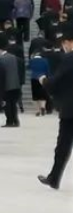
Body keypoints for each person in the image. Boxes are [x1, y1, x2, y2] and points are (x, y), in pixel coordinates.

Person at [38, 25, 73, 190]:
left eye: (64, 44)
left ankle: (54, 178)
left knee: (63, 145)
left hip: (70, 110)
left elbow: (56, 82)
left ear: (69, 42)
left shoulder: (69, 59)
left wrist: (44, 81)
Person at [0, 35, 22, 128]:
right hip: (16, 84)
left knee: (7, 105)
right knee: (13, 104)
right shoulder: (14, 57)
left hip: (6, 85)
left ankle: (9, 121)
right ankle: (16, 120)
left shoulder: (1, 59)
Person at [29, 49, 50, 116]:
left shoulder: (32, 61)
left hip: (34, 78)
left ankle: (37, 110)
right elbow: (47, 70)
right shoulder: (45, 60)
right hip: (43, 77)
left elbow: (29, 67)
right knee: (43, 94)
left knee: (35, 95)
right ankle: (43, 107)